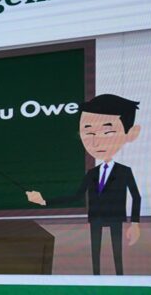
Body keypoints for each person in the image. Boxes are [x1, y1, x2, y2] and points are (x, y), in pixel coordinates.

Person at [26, 94, 142, 275]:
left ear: (131, 134)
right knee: (95, 254)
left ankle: (121, 279)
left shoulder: (124, 171)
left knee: (117, 253)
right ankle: (95, 279)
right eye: (88, 133)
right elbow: (77, 196)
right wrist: (44, 201)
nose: (96, 141)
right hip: (95, 218)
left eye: (108, 132)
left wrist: (135, 223)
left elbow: (136, 196)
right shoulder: (92, 173)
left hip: (115, 218)